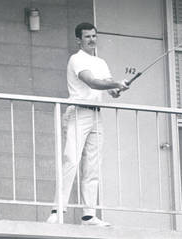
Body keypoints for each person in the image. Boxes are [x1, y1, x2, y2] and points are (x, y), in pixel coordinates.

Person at [46, 22, 129, 227]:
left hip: (96, 115)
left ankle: (89, 216)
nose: (92, 40)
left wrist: (118, 89)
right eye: (87, 37)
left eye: (94, 36)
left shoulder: (101, 62)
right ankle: (57, 211)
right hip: (78, 112)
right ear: (79, 40)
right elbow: (92, 82)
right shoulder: (76, 59)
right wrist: (115, 83)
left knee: (92, 166)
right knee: (71, 160)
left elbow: (110, 91)